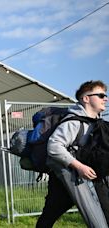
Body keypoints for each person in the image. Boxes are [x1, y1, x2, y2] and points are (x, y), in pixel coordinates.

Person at [37, 80, 108, 227]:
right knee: (49, 217)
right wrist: (80, 167)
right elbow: (54, 146)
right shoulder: (74, 122)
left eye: (105, 96)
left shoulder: (98, 124)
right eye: (101, 95)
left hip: (92, 177)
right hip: (68, 177)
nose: (105, 99)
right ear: (86, 98)